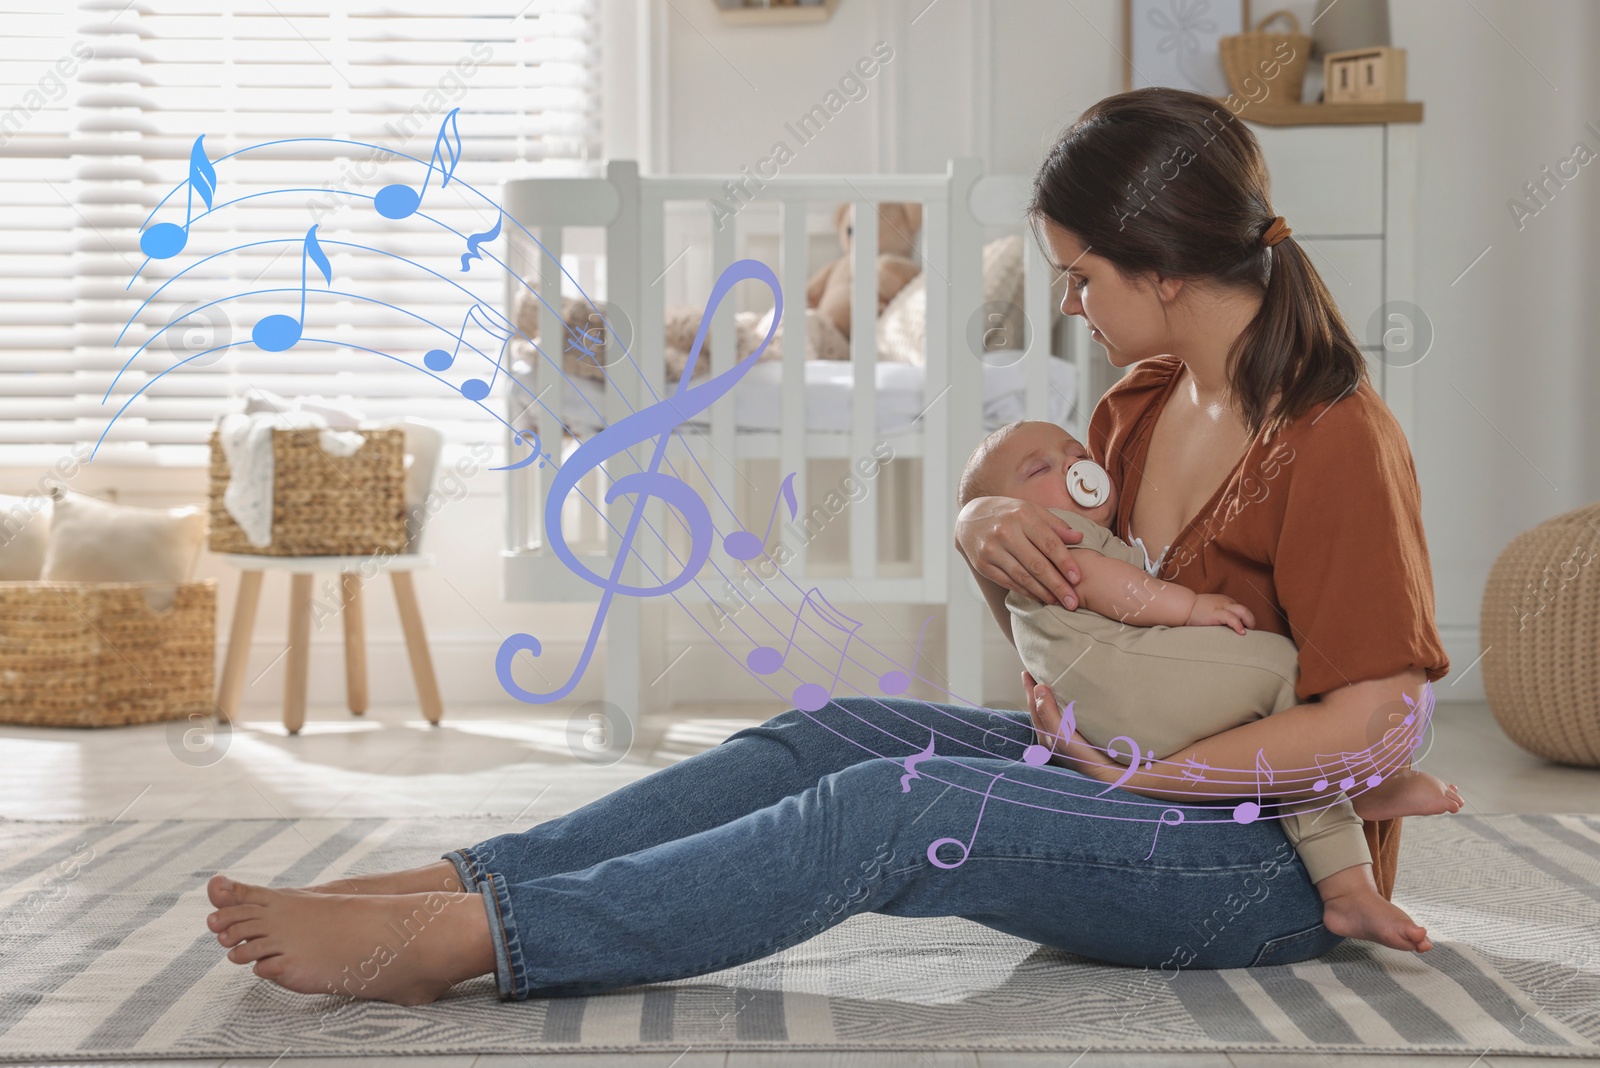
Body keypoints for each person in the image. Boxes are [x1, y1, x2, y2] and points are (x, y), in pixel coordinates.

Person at [201, 86, 1450, 1004]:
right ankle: (462, 878)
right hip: (1118, 772)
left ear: (1163, 269)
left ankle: (483, 940)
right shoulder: (1137, 404)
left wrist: (1126, 778)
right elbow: (1085, 617)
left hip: (1261, 869)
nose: (1072, 305)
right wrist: (979, 531)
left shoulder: (1335, 441)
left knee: (894, 805)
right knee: (835, 733)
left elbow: (1377, 718)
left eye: (1079, 279)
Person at [958, 418, 1461, 952]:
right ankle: (1368, 784)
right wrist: (1189, 606)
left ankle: (1348, 890)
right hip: (1131, 689)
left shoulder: (1057, 549)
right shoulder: (1059, 545)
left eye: (1076, 452)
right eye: (1041, 469)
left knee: (1286, 749)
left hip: (1106, 713)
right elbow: (1116, 587)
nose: (1074, 466)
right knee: (1287, 674)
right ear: (1007, 515)